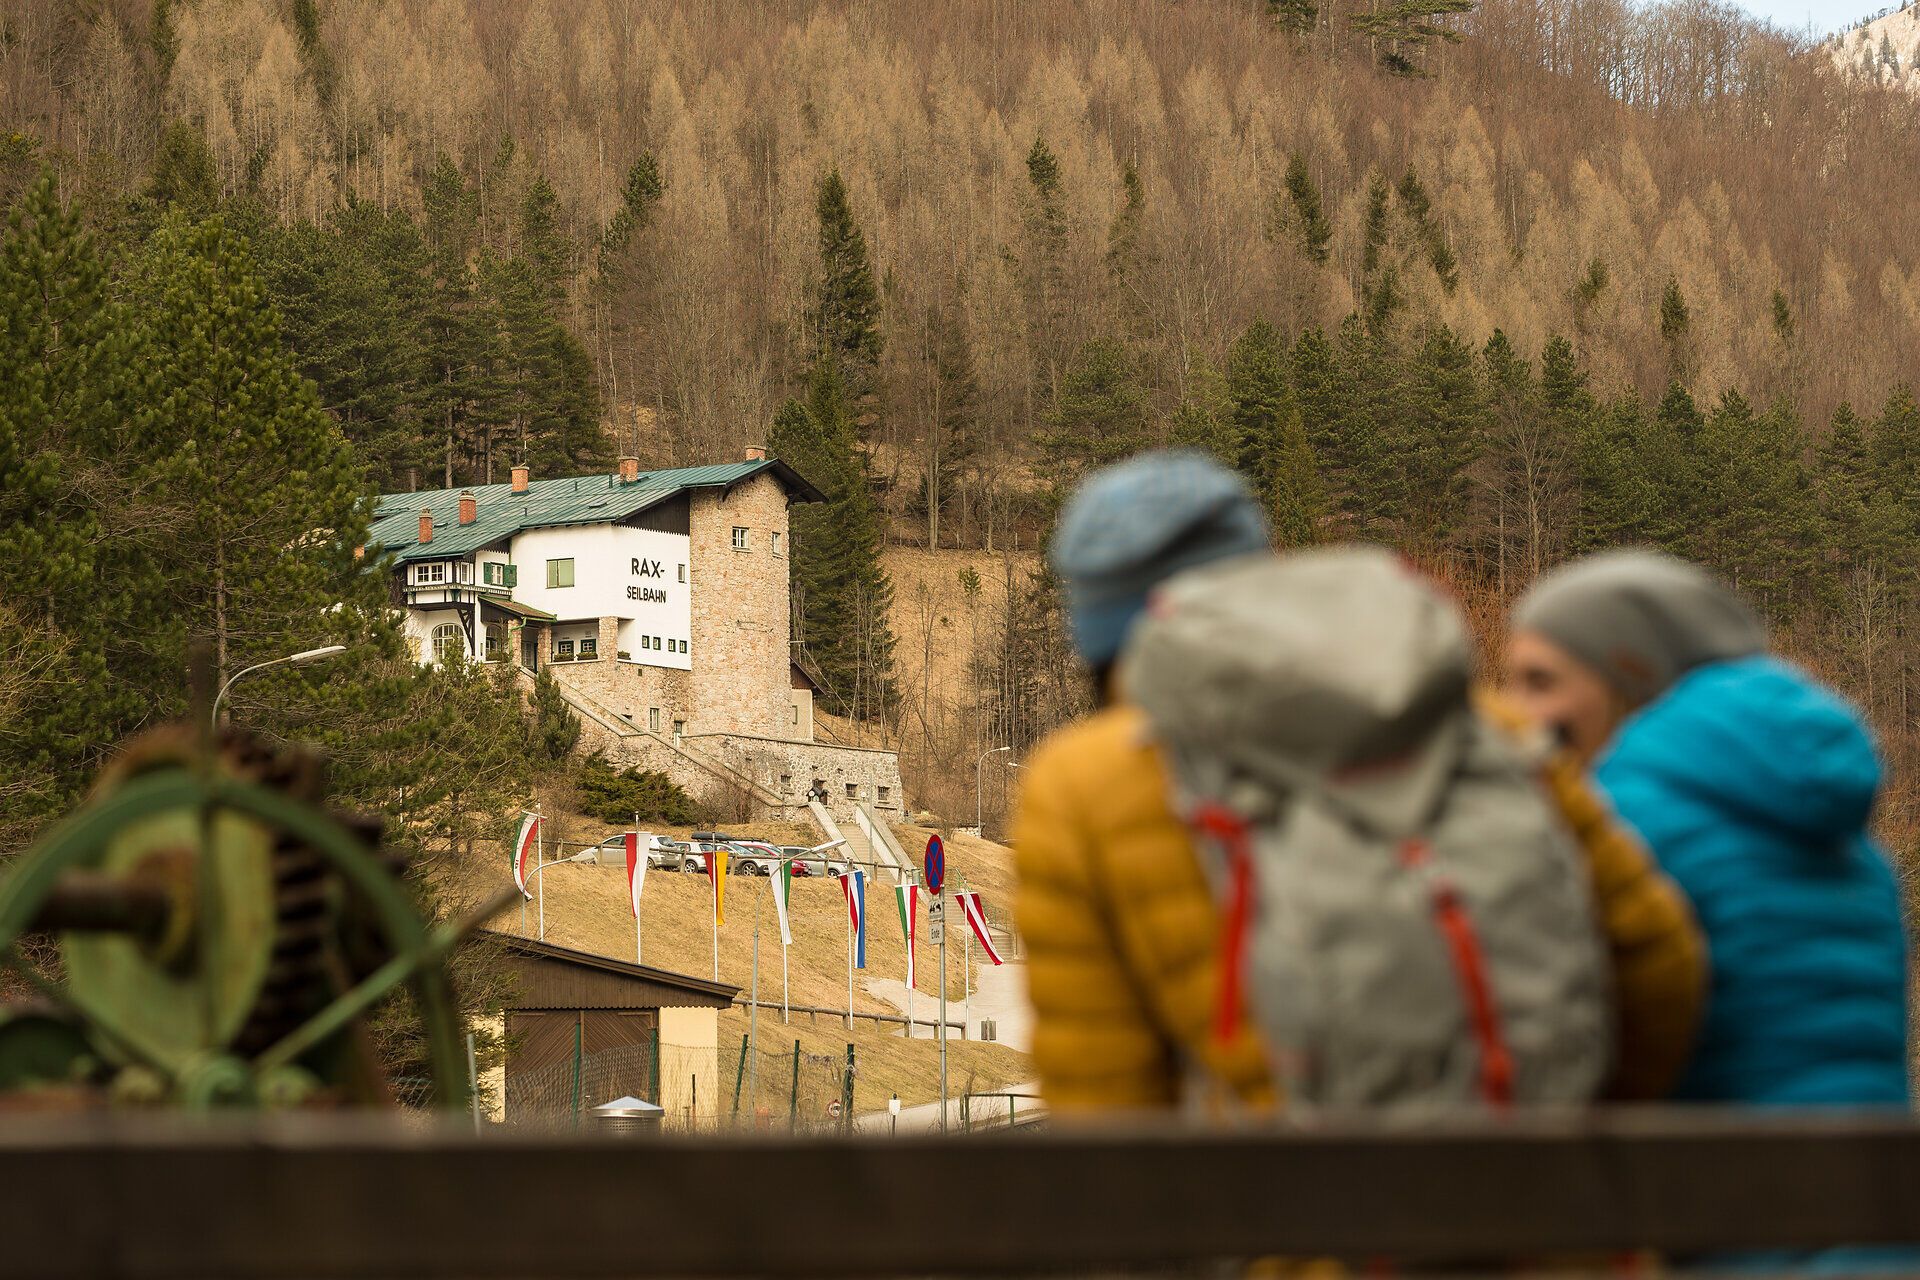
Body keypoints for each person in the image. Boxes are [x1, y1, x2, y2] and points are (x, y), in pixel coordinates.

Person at [1013, 451, 1704, 1113]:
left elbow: (1106, 1112)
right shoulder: (1473, 721)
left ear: (1098, 635)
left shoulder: (1081, 786)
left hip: (1293, 1229)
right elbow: (1660, 966)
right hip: (1551, 1216)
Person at [1509, 550, 1910, 1109]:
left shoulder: (1620, 825)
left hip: (1708, 1184)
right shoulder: (1857, 850)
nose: (1521, 712)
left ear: (1630, 676)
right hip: (1873, 1178)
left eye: (1541, 681)